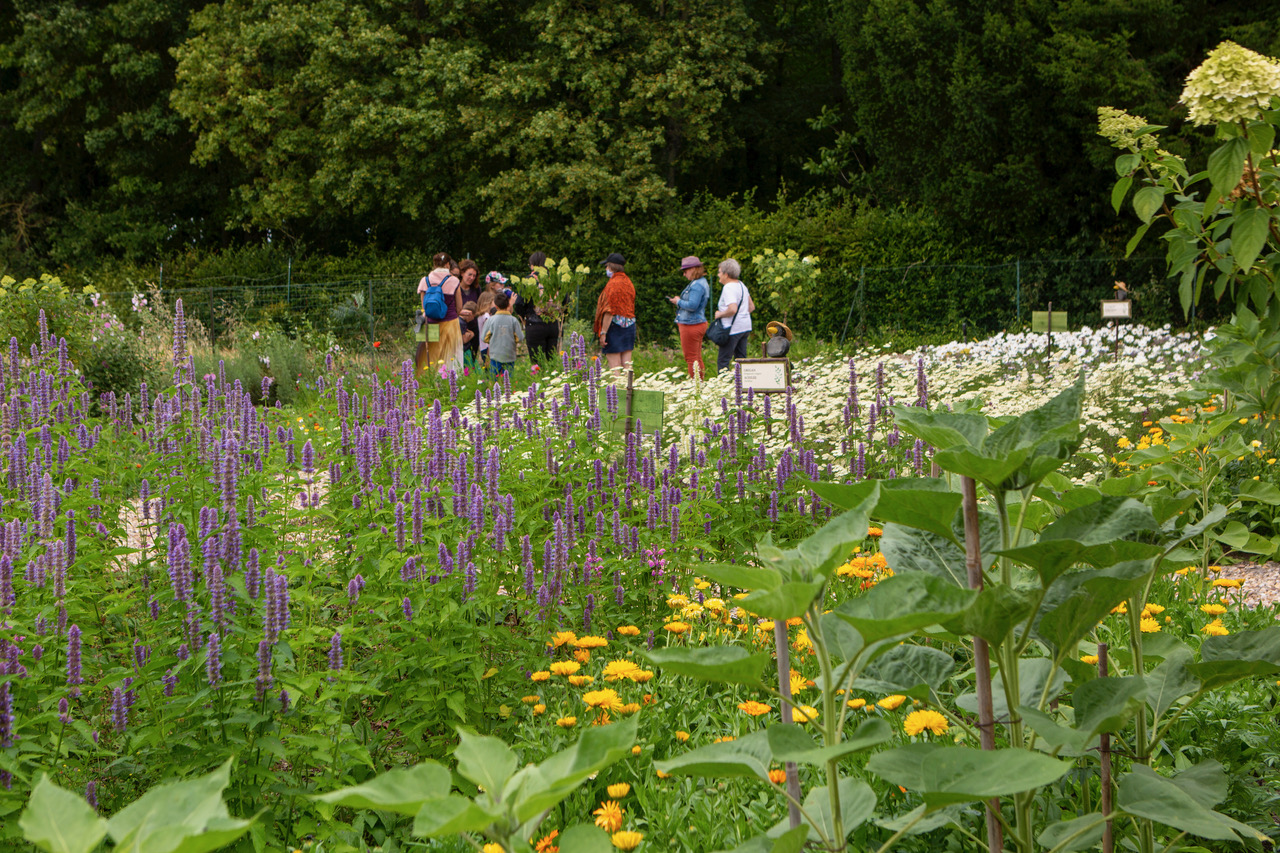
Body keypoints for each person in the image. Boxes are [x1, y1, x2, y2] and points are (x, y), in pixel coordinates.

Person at [415, 252, 464, 377]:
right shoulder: (454, 281)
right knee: (451, 360)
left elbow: (424, 308)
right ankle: (451, 387)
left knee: (429, 359)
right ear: (447, 264)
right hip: (450, 324)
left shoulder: (424, 281)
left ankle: (427, 388)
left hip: (430, 324)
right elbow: (459, 308)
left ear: (434, 264)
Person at [593, 252, 636, 377]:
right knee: (627, 367)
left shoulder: (612, 284)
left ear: (611, 267)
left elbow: (609, 311)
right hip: (630, 324)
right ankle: (629, 393)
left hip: (614, 326)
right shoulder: (628, 282)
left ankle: (616, 395)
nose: (606, 269)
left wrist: (603, 332)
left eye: (606, 267)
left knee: (615, 369)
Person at [669, 255, 710, 378]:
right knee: (696, 358)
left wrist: (678, 301)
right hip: (696, 322)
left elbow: (692, 305)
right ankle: (700, 383)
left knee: (691, 358)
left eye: (685, 271)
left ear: (693, 269)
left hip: (691, 324)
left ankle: (695, 385)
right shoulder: (701, 282)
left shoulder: (697, 285)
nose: (684, 274)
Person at [712, 258, 753, 373]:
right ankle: (744, 385)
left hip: (732, 329)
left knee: (723, 361)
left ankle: (724, 385)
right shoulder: (741, 285)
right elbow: (751, 307)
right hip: (745, 327)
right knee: (741, 360)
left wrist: (720, 314)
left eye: (719, 272)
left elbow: (732, 309)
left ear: (726, 274)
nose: (718, 275)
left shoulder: (728, 287)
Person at [520, 251, 559, 362]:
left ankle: (538, 379)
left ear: (532, 265)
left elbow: (519, 303)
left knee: (537, 362)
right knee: (551, 361)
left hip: (534, 323)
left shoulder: (528, 280)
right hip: (552, 324)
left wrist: (524, 316)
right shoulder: (554, 279)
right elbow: (565, 300)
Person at [483, 292, 525, 377]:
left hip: (495, 354)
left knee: (494, 379)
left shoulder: (491, 320)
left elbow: (484, 337)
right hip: (509, 354)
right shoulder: (513, 320)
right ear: (508, 305)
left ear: (496, 306)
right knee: (509, 380)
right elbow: (520, 337)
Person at [475, 291, 496, 366]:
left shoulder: (481, 316)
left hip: (483, 347)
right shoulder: (486, 317)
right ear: (488, 302)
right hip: (488, 348)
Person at [460, 300, 480, 367]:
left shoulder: (463, 322)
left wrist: (469, 334)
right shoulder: (461, 323)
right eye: (473, 316)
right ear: (470, 313)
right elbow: (464, 339)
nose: (473, 319)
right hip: (464, 351)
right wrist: (472, 334)